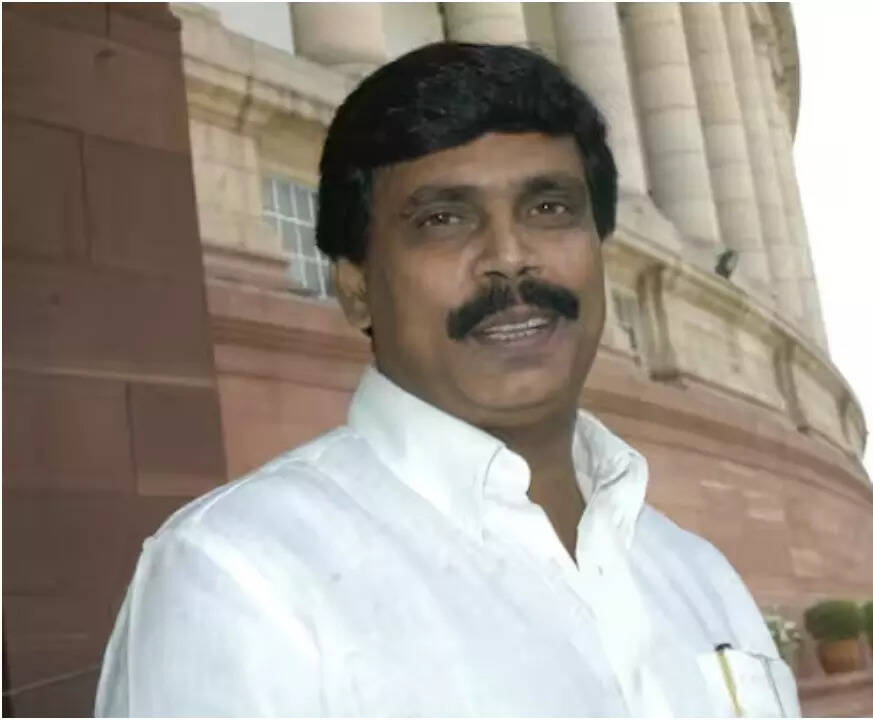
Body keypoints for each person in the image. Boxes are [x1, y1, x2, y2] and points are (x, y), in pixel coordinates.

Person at [94, 42, 800, 718]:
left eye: (549, 208)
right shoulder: (241, 577)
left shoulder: (700, 576)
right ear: (357, 289)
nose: (511, 256)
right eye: (443, 219)